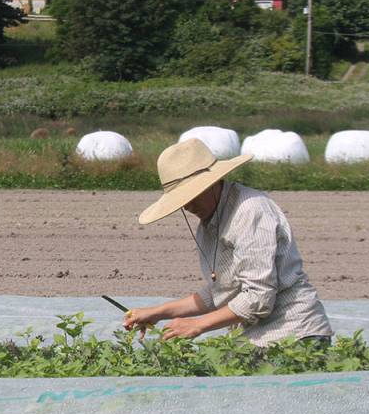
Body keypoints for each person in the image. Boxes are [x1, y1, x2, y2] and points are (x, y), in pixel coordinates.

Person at [123, 138, 332, 346]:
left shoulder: (249, 211)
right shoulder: (208, 225)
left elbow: (258, 297)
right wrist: (157, 313)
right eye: (182, 201)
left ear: (213, 182)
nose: (188, 206)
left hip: (296, 335)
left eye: (193, 195)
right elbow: (222, 291)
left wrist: (197, 325)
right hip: (255, 339)